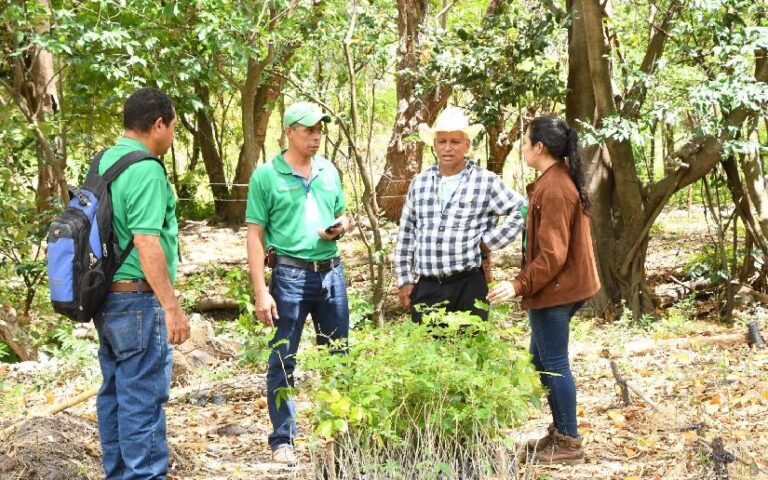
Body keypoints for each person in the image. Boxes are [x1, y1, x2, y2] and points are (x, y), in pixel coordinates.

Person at [488, 115, 600, 465]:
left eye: (525, 142)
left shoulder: (554, 188)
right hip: (563, 285)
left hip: (557, 289)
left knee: (553, 364)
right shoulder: (555, 179)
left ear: (539, 147)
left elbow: (553, 254)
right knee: (541, 360)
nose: (521, 148)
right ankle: (561, 431)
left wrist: (518, 284)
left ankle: (569, 442)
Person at [246, 102, 352, 465]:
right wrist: (261, 291)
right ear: (289, 132)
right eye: (308, 130)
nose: (316, 136)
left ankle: (338, 435)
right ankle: (283, 439)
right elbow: (255, 234)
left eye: (319, 130)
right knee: (282, 358)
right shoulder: (266, 176)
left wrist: (340, 227)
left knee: (338, 355)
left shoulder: (328, 170)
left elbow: (342, 213)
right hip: (289, 276)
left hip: (331, 273)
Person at [94, 88, 190, 479]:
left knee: (115, 396)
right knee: (143, 399)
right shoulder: (147, 169)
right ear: (158, 124)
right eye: (173, 127)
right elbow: (146, 242)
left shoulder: (105, 161)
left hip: (107, 299)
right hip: (138, 300)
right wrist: (172, 307)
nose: (173, 136)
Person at [395, 107, 526, 323]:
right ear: (434, 145)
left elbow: (521, 209)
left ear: (467, 145)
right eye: (442, 141)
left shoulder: (485, 181)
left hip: (469, 284)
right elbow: (406, 233)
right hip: (427, 285)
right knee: (426, 344)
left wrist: (489, 242)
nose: (448, 148)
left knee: (470, 342)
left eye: (455, 141)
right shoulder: (420, 183)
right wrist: (404, 280)